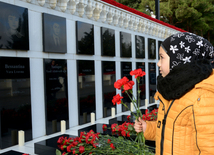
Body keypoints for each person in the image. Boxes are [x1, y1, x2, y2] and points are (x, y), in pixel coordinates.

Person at [134, 32, 214, 155]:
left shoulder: (202, 97)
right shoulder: (174, 89)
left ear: (179, 59)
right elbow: (172, 131)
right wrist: (148, 128)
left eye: (162, 57)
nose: (158, 63)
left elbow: (210, 149)